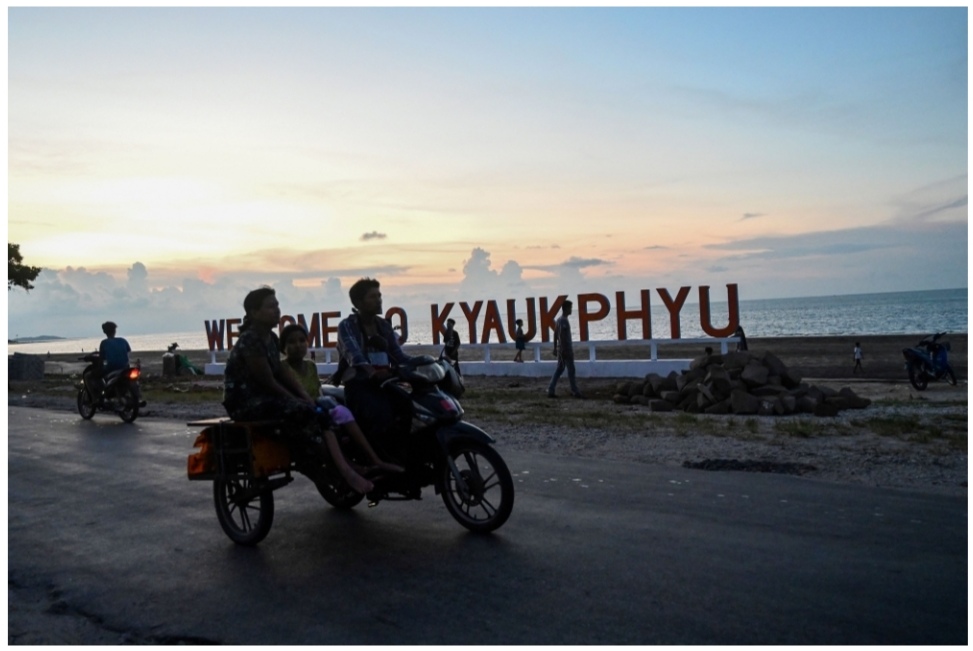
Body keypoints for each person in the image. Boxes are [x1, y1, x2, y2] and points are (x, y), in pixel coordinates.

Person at [222, 287, 374, 494]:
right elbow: (268, 381)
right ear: (254, 312)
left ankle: (344, 466)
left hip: (265, 399)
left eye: (277, 305)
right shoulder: (251, 340)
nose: (276, 310)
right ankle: (342, 470)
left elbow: (282, 373)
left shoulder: (271, 338)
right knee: (304, 412)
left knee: (319, 412)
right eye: (270, 306)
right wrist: (297, 401)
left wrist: (304, 396)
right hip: (246, 403)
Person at [280, 323, 402, 475]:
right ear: (283, 347)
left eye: (301, 340)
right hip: (302, 411)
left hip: (318, 407)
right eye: (291, 342)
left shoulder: (311, 366)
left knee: (343, 412)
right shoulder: (282, 368)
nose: (298, 345)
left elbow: (318, 391)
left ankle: (375, 459)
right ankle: (350, 468)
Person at [336, 278, 415, 463]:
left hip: (384, 383)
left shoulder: (383, 325)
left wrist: (427, 362)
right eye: (373, 297)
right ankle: (377, 461)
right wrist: (371, 371)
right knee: (381, 414)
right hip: (359, 384)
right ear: (358, 302)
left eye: (379, 296)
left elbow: (398, 355)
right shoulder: (347, 326)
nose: (379, 300)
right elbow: (354, 354)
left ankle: (402, 455)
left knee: (408, 405)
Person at [96, 321, 144, 406]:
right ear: (115, 331)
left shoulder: (104, 343)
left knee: (97, 376)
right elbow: (128, 352)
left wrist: (100, 367)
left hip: (111, 368)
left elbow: (102, 358)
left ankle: (102, 397)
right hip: (125, 367)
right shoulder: (122, 340)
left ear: (104, 331)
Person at [548, 300, 584, 399]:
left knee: (560, 369)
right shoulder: (563, 321)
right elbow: (563, 337)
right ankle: (575, 390)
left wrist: (555, 348)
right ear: (566, 308)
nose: (571, 310)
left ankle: (551, 389)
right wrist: (565, 350)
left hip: (561, 349)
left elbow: (555, 334)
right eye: (570, 308)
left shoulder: (559, 320)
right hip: (566, 349)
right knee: (571, 370)